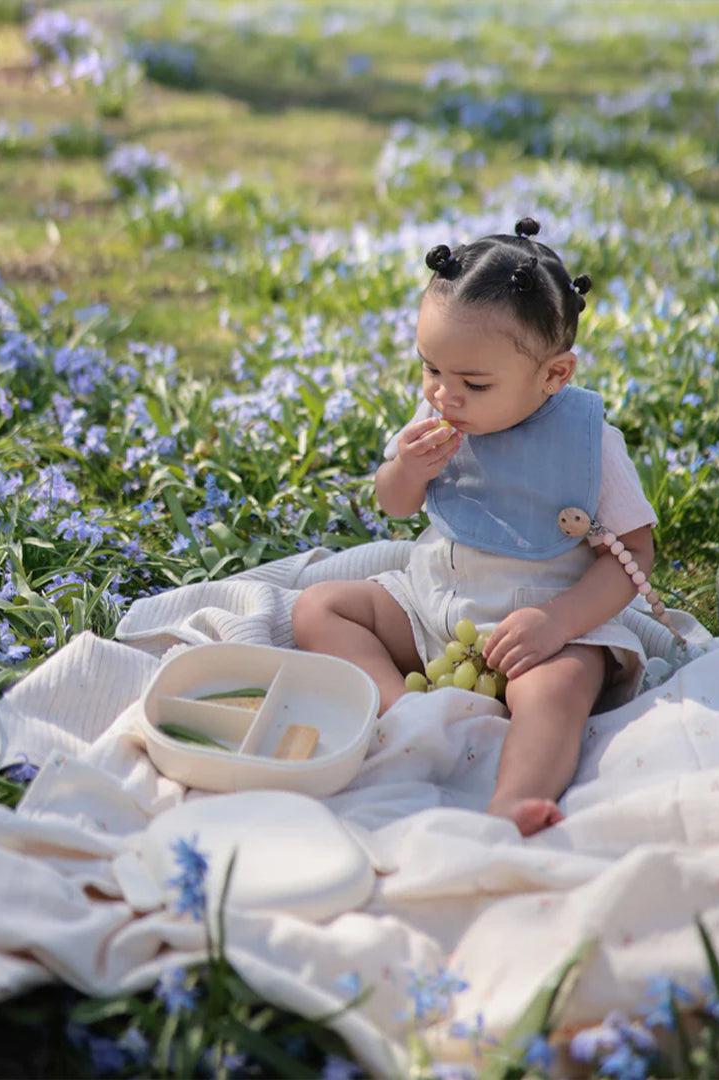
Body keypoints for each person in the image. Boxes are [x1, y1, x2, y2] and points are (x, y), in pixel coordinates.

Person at [293, 217, 658, 836]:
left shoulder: (588, 443)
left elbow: (634, 554)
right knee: (319, 608)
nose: (444, 396)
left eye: (473, 383)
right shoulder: (438, 415)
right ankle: (408, 720)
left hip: (537, 628)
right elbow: (396, 504)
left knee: (561, 690)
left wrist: (561, 622)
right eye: (431, 369)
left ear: (554, 376)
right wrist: (405, 469)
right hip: (435, 605)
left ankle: (515, 798)